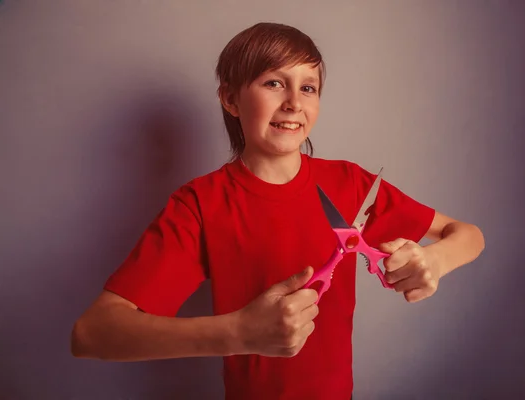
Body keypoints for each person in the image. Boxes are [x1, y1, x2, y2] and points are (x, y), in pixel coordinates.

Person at [70, 22, 485, 400]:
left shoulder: (352, 186)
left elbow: (467, 235)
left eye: (308, 87)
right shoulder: (200, 204)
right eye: (273, 83)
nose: (293, 102)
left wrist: (433, 260)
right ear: (230, 99)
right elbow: (93, 334)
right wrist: (236, 332)